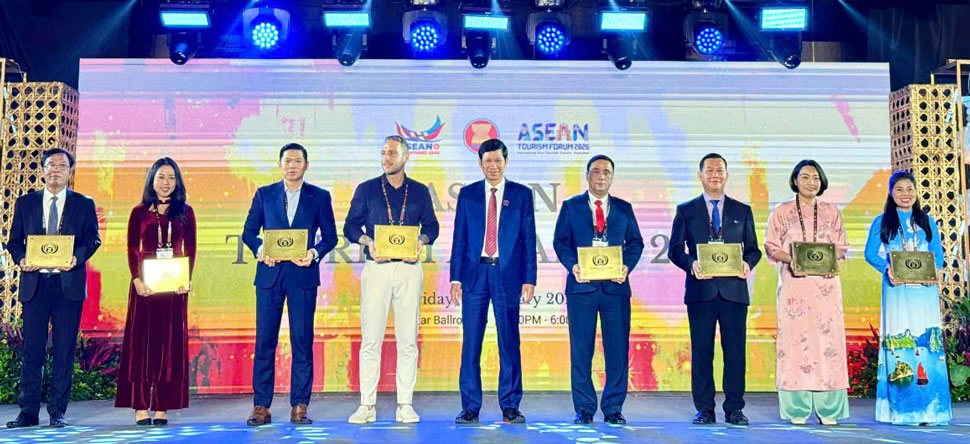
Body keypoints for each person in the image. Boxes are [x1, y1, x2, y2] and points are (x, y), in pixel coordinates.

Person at [241, 143, 338, 426]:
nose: (292, 165)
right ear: (280, 164)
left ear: (306, 165)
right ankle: (261, 406)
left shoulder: (319, 196)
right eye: (287, 161)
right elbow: (248, 232)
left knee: (302, 341)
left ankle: (300, 405)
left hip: (303, 276)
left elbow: (330, 237)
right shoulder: (265, 194)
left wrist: (313, 253)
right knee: (265, 341)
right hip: (270, 276)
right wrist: (260, 249)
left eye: (298, 161)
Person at [344, 136, 439, 424]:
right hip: (377, 268)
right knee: (371, 338)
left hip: (409, 269)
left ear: (406, 157)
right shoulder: (367, 189)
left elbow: (432, 226)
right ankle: (367, 405)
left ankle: (405, 404)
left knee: (407, 339)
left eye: (392, 153)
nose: (386, 158)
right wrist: (367, 242)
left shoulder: (420, 191)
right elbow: (350, 225)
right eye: (383, 153)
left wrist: (420, 241)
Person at [5, 149, 102, 428]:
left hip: (67, 286)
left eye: (62, 165)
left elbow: (92, 239)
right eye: (51, 165)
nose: (56, 170)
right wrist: (22, 258)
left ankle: (58, 411)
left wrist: (77, 257)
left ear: (70, 171)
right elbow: (14, 241)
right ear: (43, 170)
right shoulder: (26, 203)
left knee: (63, 350)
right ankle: (28, 412)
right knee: (32, 351)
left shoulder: (83, 203)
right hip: (35, 285)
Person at [668, 153, 762, 426]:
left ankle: (734, 408)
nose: (715, 175)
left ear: (727, 174)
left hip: (734, 292)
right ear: (700, 176)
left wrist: (747, 263)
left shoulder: (742, 210)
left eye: (719, 170)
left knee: (735, 353)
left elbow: (753, 249)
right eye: (709, 170)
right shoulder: (686, 210)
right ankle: (705, 409)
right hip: (700, 292)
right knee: (701, 352)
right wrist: (691, 263)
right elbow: (674, 250)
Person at [552, 155, 644, 424]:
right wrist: (573, 266)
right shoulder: (571, 207)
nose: (601, 176)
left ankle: (613, 408)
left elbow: (636, 243)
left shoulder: (624, 208)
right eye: (596, 171)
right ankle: (584, 408)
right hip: (582, 288)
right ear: (588, 175)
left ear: (612, 177)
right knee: (581, 350)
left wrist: (626, 266)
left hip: (616, 289)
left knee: (617, 349)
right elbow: (561, 242)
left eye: (606, 172)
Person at [450, 139, 536, 424]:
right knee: (471, 343)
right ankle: (470, 407)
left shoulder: (521, 195)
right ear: (480, 163)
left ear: (506, 162)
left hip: (507, 275)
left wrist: (529, 278)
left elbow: (528, 239)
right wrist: (455, 278)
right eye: (488, 161)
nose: (493, 166)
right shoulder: (469, 194)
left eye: (498, 161)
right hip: (475, 276)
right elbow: (459, 239)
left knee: (509, 342)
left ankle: (510, 405)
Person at [763, 160, 849, 425]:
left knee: (828, 346)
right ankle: (796, 409)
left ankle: (829, 410)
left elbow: (841, 246)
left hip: (825, 288)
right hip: (795, 288)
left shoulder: (831, 212)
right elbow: (770, 245)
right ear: (795, 180)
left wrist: (829, 262)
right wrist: (792, 260)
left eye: (815, 178)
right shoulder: (781, 211)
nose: (811, 182)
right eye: (805, 177)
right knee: (795, 346)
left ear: (822, 181)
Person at [864, 170, 952, 425]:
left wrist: (933, 272)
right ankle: (903, 411)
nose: (905, 194)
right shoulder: (882, 221)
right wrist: (887, 269)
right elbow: (871, 253)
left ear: (916, 192)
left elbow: (938, 254)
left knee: (927, 344)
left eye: (910, 189)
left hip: (924, 291)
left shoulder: (927, 221)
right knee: (901, 343)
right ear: (891, 193)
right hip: (897, 290)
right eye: (900, 189)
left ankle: (931, 410)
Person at [114, 158, 196, 426]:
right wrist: (136, 278)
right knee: (141, 345)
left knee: (168, 347)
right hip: (145, 287)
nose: (166, 183)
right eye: (161, 177)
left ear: (178, 181)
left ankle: (162, 406)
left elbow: (190, 250)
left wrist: (187, 280)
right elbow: (131, 248)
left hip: (173, 288)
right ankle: (140, 406)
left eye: (171, 178)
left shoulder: (186, 211)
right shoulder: (139, 211)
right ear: (152, 179)